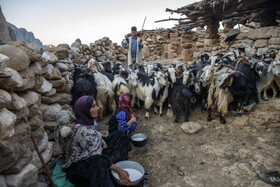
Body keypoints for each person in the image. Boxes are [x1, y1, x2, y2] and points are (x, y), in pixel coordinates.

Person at [56, 95, 131, 187]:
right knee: (99, 163)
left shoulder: (86, 120)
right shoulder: (81, 131)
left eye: (96, 105)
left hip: (91, 152)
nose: (98, 108)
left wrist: (100, 139)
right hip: (79, 166)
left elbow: (94, 135)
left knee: (119, 134)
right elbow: (96, 156)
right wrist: (118, 170)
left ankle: (117, 166)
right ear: (85, 110)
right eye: (93, 106)